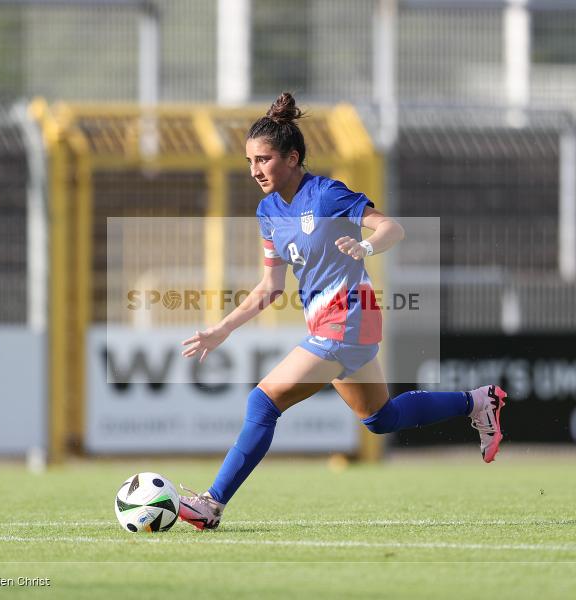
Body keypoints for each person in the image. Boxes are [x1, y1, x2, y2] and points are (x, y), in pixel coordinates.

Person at [178, 92, 506, 530]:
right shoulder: (267, 211)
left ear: (293, 157)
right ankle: (477, 402)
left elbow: (393, 227)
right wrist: (222, 329)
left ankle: (211, 504)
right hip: (332, 322)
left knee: (263, 401)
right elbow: (272, 287)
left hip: (349, 316)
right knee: (380, 418)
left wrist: (367, 244)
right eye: (250, 162)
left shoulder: (328, 195)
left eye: (264, 159)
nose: (255, 171)